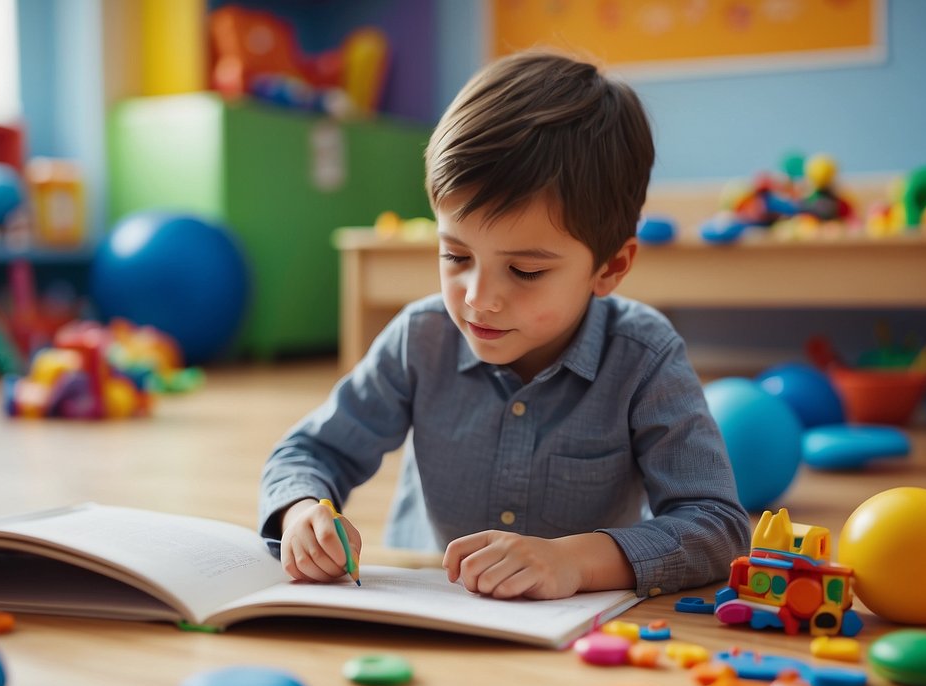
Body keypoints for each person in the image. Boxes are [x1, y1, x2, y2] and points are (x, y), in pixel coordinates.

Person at [259, 50, 750, 600]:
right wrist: (302, 512)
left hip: (570, 640)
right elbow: (309, 453)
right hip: (428, 612)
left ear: (610, 267)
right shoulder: (420, 338)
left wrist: (573, 561)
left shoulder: (643, 355)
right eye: (456, 256)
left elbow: (718, 527)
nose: (478, 298)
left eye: (525, 270)